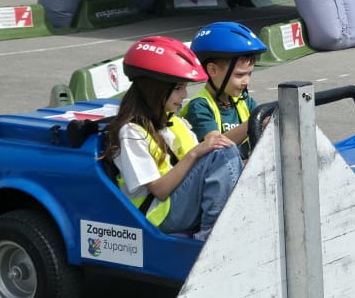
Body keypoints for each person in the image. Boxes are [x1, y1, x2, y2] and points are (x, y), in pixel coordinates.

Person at [100, 36, 240, 240]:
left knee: (229, 154)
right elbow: (159, 190)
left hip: (180, 203)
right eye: (177, 88)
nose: (184, 95)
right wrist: (195, 153)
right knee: (224, 154)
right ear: (154, 88)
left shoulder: (175, 122)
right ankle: (212, 239)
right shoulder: (131, 133)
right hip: (158, 213)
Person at [185, 20, 267, 157]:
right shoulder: (199, 106)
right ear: (213, 70)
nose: (246, 81)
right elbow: (215, 147)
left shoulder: (245, 101)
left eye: (249, 74)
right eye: (239, 75)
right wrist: (254, 122)